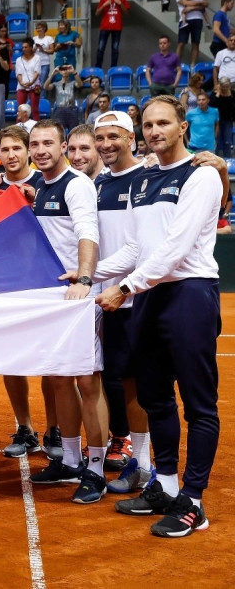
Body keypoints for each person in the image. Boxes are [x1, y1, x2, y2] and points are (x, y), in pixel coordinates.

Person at [94, 96, 222, 537]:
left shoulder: (202, 176)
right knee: (155, 397)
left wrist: (125, 287)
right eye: (148, 124)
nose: (154, 131)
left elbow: (176, 247)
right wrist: (87, 272)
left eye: (163, 123)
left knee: (198, 404)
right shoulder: (145, 179)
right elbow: (134, 248)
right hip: (149, 295)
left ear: (182, 127)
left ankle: (194, 501)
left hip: (188, 294)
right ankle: (165, 485)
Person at [25, 120, 108, 506]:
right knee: (59, 380)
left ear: (62, 147)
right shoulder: (40, 186)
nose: (41, 150)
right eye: (35, 144)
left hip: (77, 297)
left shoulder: (77, 184)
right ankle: (71, 460)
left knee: (88, 383)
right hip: (50, 301)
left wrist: (86, 280)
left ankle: (96, 468)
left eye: (48, 143)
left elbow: (86, 232)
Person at [87, 112, 154, 492]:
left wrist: (89, 274)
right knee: (124, 381)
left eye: (114, 136)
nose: (106, 144)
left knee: (143, 386)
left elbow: (135, 248)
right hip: (108, 299)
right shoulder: (98, 185)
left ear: (131, 138)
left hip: (135, 296)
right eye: (100, 137)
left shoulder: (146, 177)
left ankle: (146, 465)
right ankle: (139, 462)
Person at [0, 124, 48, 458]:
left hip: (46, 282)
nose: (11, 156)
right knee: (12, 361)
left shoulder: (45, 182)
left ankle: (55, 431)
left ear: (28, 151)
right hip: (7, 285)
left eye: (17, 149)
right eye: (5, 150)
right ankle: (25, 428)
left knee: (54, 367)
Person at [175, 0, 208, 67]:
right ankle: (177, 65)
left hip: (198, 19)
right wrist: (199, 4)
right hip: (185, 20)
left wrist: (190, 8)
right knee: (181, 43)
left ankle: (193, 65)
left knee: (196, 43)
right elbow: (185, 3)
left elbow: (206, 3)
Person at [95, 0, 130, 69]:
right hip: (105, 26)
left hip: (117, 27)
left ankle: (113, 68)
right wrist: (104, 5)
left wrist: (120, 4)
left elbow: (127, 13)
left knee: (115, 49)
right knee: (100, 48)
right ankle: (98, 68)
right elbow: (97, 13)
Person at [46, 64, 82, 132]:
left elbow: (80, 84)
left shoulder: (73, 83)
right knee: (59, 131)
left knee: (74, 131)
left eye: (67, 69)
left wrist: (74, 72)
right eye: (62, 69)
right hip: (60, 108)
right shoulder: (56, 84)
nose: (65, 71)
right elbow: (46, 87)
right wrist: (53, 74)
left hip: (71, 108)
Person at [16, 39, 42, 121]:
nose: (24, 49)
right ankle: (19, 128)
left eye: (26, 47)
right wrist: (22, 83)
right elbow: (18, 74)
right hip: (21, 86)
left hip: (34, 86)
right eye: (23, 47)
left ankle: (36, 128)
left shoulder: (37, 58)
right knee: (20, 108)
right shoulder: (18, 60)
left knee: (34, 109)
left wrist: (31, 82)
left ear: (31, 47)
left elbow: (37, 72)